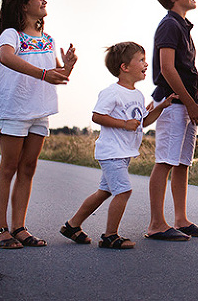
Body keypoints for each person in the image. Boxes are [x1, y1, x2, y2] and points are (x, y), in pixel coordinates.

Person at [60, 42, 175, 249]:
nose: (146, 64)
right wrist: (123, 123)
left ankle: (72, 226)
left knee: (104, 191)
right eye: (141, 60)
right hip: (111, 151)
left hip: (123, 153)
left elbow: (142, 123)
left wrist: (161, 107)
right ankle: (110, 236)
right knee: (123, 191)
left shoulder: (138, 95)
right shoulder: (112, 92)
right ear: (125, 67)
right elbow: (97, 116)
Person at [0, 0, 77, 249]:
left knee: (28, 169)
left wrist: (68, 67)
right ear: (23, 4)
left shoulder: (47, 39)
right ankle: (0, 230)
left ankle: (19, 227)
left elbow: (56, 77)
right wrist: (44, 74)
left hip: (40, 112)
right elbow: (6, 58)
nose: (44, 2)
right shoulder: (11, 35)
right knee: (8, 167)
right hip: (15, 110)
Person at [145, 0, 198, 241]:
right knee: (165, 162)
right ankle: (157, 224)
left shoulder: (183, 26)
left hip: (185, 105)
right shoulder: (169, 25)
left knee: (182, 163)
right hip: (174, 104)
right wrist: (191, 103)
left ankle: (181, 219)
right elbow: (167, 68)